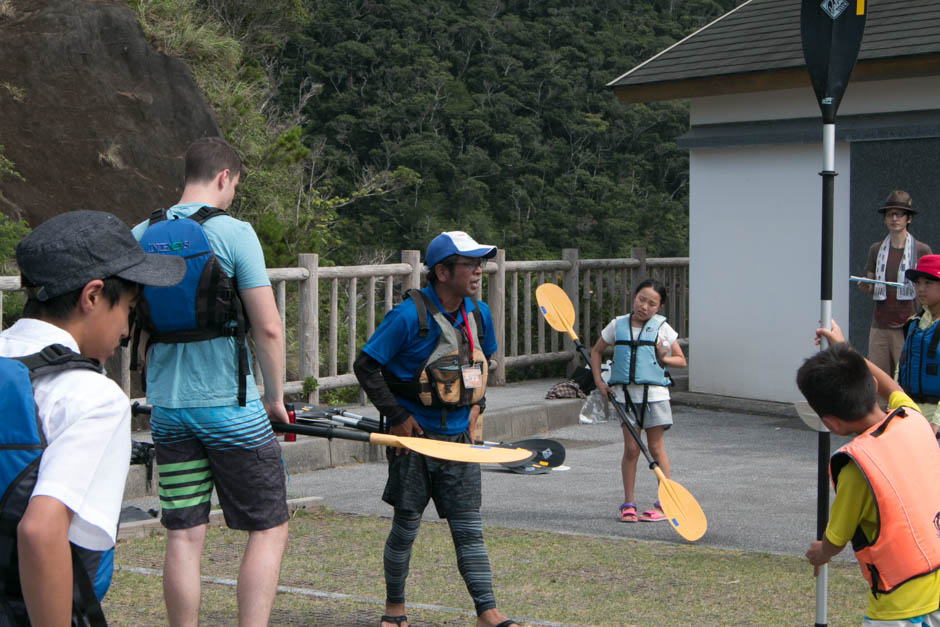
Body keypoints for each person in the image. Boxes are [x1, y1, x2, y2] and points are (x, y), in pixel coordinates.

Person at [130, 137, 289, 626]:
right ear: (225, 177)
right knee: (268, 526)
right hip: (229, 408)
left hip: (169, 411)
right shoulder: (234, 232)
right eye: (235, 185)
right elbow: (267, 326)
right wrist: (275, 398)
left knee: (183, 532)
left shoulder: (140, 233)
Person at [0, 210, 185, 625]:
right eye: (129, 310)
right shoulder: (92, 397)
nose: (125, 332)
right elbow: (40, 531)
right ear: (93, 296)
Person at [352, 231, 519, 627]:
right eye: (470, 264)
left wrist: (478, 408)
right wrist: (396, 416)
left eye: (481, 263)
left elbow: (481, 365)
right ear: (442, 271)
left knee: (468, 528)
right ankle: (394, 611)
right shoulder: (409, 316)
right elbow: (366, 366)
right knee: (406, 527)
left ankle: (487, 612)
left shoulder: (478, 314)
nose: (479, 271)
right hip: (415, 442)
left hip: (459, 442)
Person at [800, 320, 940, 625]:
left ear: (831, 423)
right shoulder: (913, 418)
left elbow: (836, 538)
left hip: (899, 605)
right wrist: (846, 350)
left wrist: (820, 553)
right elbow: (894, 388)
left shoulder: (857, 465)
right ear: (871, 386)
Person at [589, 279, 687, 523]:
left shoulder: (662, 328)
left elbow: (680, 360)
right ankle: (628, 503)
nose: (644, 306)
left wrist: (662, 356)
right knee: (631, 450)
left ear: (659, 306)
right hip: (625, 397)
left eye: (652, 303)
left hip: (655, 396)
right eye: (641, 299)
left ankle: (663, 504)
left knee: (655, 448)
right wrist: (600, 382)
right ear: (634, 296)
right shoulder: (617, 325)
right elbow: (596, 350)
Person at [859, 190, 931, 379]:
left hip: (908, 325)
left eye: (899, 214)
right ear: (884, 219)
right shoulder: (876, 249)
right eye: (890, 214)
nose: (894, 218)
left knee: (905, 378)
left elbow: (931, 288)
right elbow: (871, 282)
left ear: (908, 219)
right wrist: (865, 285)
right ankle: (882, 410)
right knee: (878, 380)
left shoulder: (921, 250)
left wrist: (922, 317)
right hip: (880, 324)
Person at [896, 254, 940, 434]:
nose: (921, 289)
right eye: (918, 283)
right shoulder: (915, 323)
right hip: (911, 414)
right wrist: (896, 404)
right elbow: (901, 368)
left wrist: (937, 421)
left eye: (928, 283)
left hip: (934, 420)